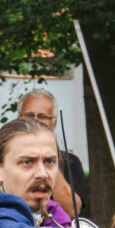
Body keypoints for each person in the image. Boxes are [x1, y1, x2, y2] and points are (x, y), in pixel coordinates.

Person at [18, 88, 87, 217]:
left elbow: (72, 212)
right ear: (18, 119)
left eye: (42, 116)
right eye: (29, 115)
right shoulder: (4, 158)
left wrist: (49, 158)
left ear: (54, 123)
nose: (35, 120)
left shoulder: (71, 162)